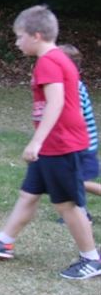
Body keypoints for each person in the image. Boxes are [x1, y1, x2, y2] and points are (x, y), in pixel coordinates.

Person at [0, 6, 100, 280]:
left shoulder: (49, 62)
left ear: (36, 35)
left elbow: (56, 103)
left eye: (20, 36)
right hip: (53, 144)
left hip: (60, 144)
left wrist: (36, 142)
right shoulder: (58, 59)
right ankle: (3, 241)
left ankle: (92, 259)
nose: (17, 43)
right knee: (29, 194)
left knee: (67, 204)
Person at [59, 44, 99, 220]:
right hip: (80, 141)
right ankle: (80, 211)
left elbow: (77, 116)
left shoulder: (72, 86)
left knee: (71, 180)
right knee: (68, 178)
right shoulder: (71, 84)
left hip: (81, 143)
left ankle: (80, 213)